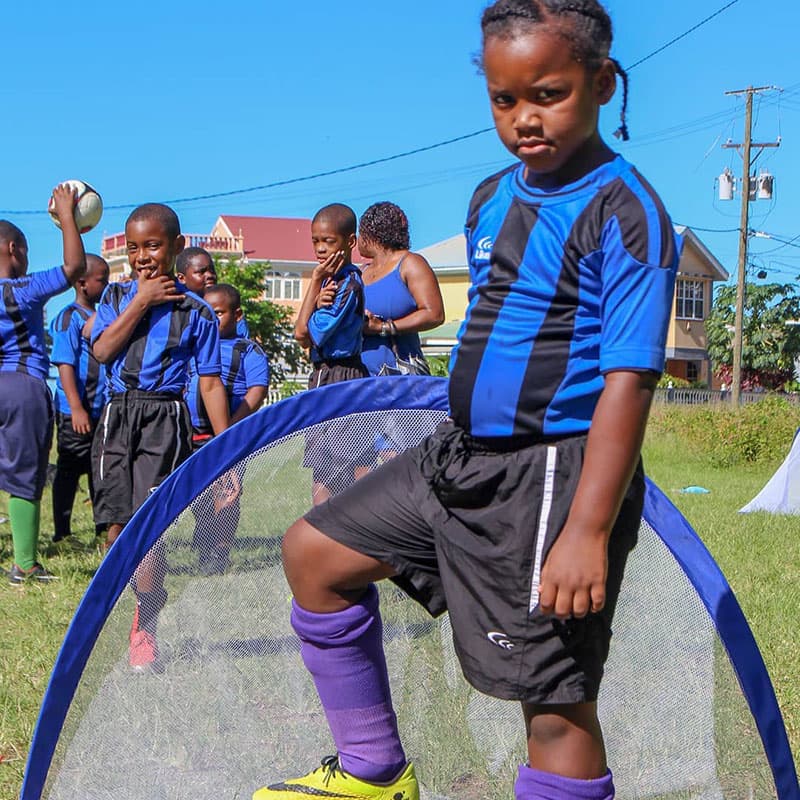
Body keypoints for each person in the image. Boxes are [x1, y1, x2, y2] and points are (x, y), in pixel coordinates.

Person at [253, 1, 680, 799]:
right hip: (459, 457)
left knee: (553, 703)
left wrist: (586, 530)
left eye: (547, 93)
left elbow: (629, 380)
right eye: (504, 98)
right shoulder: (490, 195)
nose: (524, 117)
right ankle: (375, 773)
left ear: (601, 83)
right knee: (313, 554)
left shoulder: (628, 214)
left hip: (552, 477)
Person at [91, 203, 230, 670]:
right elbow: (103, 349)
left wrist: (228, 450)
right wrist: (141, 301)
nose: (142, 256)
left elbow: (209, 382)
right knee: (115, 527)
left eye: (152, 245)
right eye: (133, 248)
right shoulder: (113, 300)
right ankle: (116, 614)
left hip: (164, 420)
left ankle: (144, 626)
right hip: (116, 418)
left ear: (175, 247)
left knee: (147, 530)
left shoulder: (196, 314)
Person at [0, 185, 86, 584]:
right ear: (14, 248)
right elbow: (73, 268)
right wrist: (68, 216)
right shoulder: (23, 289)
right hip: (21, 386)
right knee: (25, 473)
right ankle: (25, 563)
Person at [185, 283, 269, 573]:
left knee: (227, 494)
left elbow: (257, 390)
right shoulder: (192, 346)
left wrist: (231, 426)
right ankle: (205, 543)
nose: (212, 319)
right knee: (200, 496)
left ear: (237, 315)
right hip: (194, 434)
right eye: (206, 313)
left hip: (230, 435)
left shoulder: (248, 350)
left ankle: (220, 552)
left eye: (218, 313)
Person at [49, 254, 110, 543]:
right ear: (83, 283)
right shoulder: (68, 318)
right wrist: (76, 407)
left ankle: (102, 528)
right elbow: (65, 364)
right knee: (70, 470)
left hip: (102, 410)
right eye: (103, 280)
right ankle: (62, 533)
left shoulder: (102, 318)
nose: (107, 285)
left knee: (101, 469)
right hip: (76, 410)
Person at [356, 202, 444, 376]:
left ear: (371, 232)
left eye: (360, 232)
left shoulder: (410, 264)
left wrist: (383, 327)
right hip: (363, 382)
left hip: (403, 384)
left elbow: (434, 314)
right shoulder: (361, 272)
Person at [295, 203, 368, 389]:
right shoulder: (328, 281)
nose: (320, 248)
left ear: (350, 242)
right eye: (315, 241)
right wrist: (316, 300)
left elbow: (301, 333)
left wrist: (316, 279)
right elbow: (302, 335)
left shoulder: (345, 285)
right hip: (325, 372)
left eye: (329, 241)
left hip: (340, 375)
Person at [176, 245, 249, 336]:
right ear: (182, 278)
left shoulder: (227, 306)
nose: (210, 275)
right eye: (201, 272)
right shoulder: (176, 310)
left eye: (212, 270)